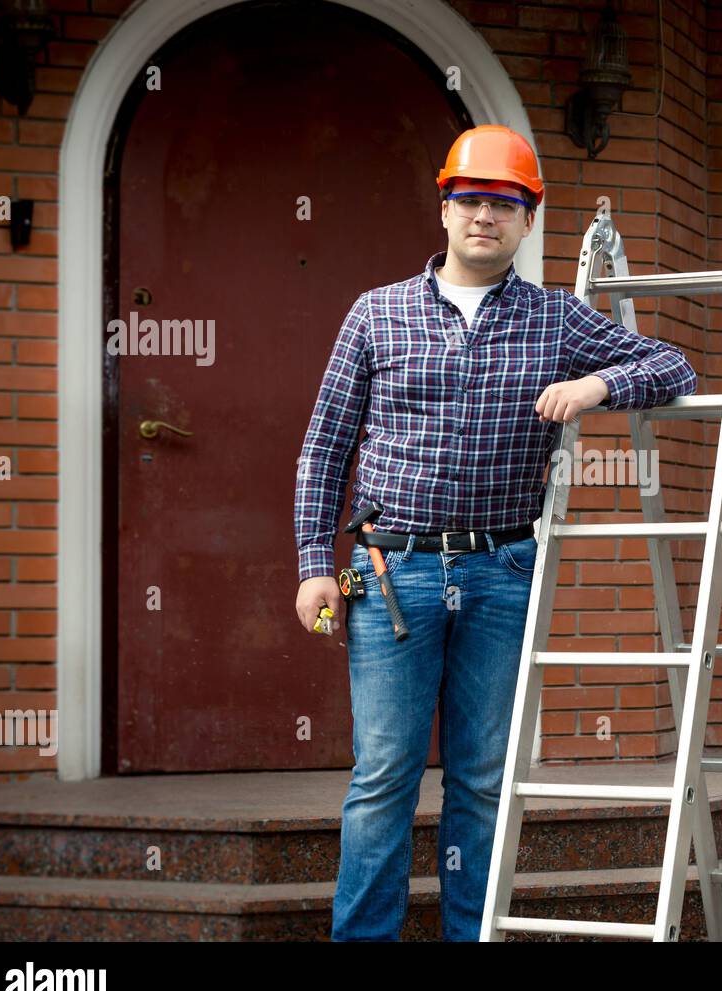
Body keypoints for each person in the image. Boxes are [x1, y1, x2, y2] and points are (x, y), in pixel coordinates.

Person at [293, 124, 698, 941]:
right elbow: (324, 447)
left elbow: (675, 367)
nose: (485, 216)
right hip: (389, 571)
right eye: (471, 200)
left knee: (482, 779)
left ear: (527, 219)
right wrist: (311, 565)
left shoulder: (556, 321)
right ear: (445, 209)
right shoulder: (377, 314)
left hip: (501, 574)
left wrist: (594, 385)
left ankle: (471, 935)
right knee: (383, 779)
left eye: (504, 204)